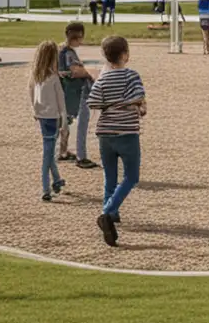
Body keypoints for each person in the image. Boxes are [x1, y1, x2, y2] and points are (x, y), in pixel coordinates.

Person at [87, 33, 146, 244]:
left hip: (104, 133)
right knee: (131, 176)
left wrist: (109, 105)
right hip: (126, 132)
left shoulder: (102, 79)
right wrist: (130, 105)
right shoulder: (131, 75)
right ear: (125, 55)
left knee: (110, 177)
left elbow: (92, 102)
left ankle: (111, 216)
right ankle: (108, 210)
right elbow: (138, 95)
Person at [29, 40, 66, 203]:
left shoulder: (36, 76)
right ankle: (46, 188)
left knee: (49, 151)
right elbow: (61, 103)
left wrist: (35, 110)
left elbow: (31, 94)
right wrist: (64, 122)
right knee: (47, 154)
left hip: (42, 117)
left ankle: (57, 179)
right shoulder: (53, 78)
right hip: (53, 118)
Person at [57, 21, 98, 169]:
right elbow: (75, 71)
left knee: (64, 123)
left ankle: (62, 151)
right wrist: (90, 73)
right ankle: (81, 156)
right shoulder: (67, 52)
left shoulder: (60, 49)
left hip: (67, 92)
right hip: (77, 91)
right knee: (82, 124)